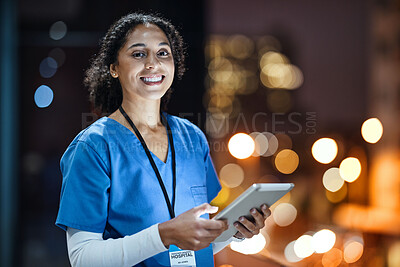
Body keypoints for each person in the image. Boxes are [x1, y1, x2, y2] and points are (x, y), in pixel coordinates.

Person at [55, 12, 271, 267]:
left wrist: (235, 232)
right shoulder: (93, 147)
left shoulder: (193, 138)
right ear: (113, 68)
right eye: (138, 54)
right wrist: (164, 234)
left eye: (163, 53)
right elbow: (82, 258)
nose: (153, 63)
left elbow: (200, 243)